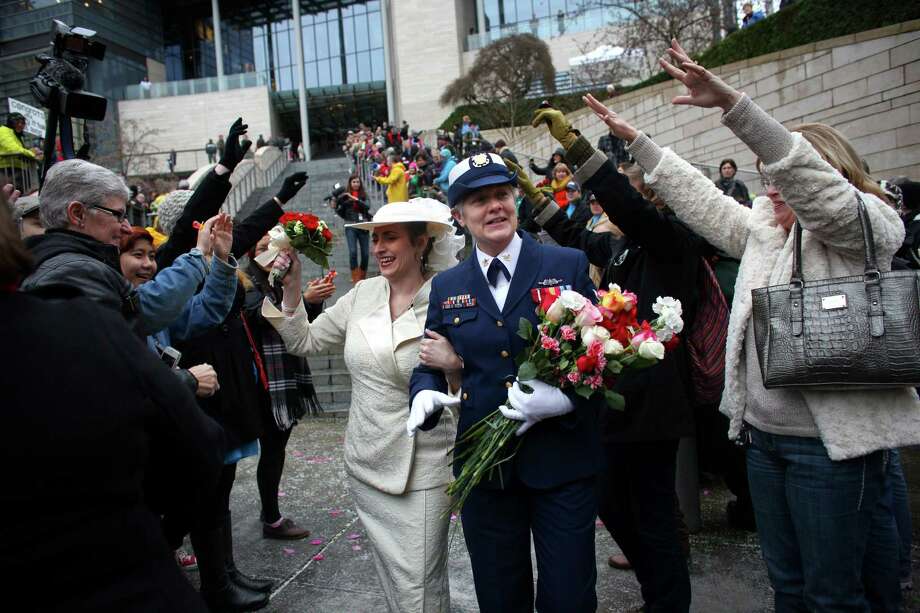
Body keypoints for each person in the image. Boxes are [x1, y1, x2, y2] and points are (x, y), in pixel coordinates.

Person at [584, 39, 920, 611]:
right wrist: (638, 143)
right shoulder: (765, 228)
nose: (771, 185)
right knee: (788, 589)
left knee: (832, 595)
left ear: (826, 176)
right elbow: (700, 201)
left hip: (830, 451)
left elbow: (814, 188)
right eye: (765, 175)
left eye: (780, 174)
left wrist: (731, 106)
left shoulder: (867, 228)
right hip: (764, 443)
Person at [0, 192, 225, 612]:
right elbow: (199, 448)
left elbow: (203, 310)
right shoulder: (76, 313)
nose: (125, 227)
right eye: (118, 217)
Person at [409, 153, 603, 613]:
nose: (494, 206)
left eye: (501, 194)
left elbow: (604, 353)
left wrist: (566, 401)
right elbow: (429, 362)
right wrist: (423, 393)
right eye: (479, 200)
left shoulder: (566, 264)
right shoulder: (447, 285)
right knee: (499, 597)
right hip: (486, 469)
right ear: (459, 216)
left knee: (569, 598)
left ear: (516, 200)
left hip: (562, 463)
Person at [264, 198, 464, 612]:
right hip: (366, 462)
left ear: (420, 243)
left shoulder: (450, 297)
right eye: (375, 240)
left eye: (389, 237)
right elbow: (306, 342)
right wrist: (292, 286)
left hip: (425, 464)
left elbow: (472, 380)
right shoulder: (364, 294)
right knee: (396, 581)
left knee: (420, 586)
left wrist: (455, 366)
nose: (378, 248)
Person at [19, 159, 212, 337]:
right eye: (118, 215)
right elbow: (114, 352)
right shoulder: (73, 272)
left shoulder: (72, 266)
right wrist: (186, 376)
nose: (126, 227)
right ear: (78, 214)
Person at [247, 234, 335, 540]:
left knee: (275, 449)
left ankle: (269, 514)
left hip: (286, 376)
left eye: (273, 246)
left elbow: (303, 326)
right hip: (258, 381)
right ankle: (269, 517)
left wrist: (313, 300)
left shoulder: (282, 280)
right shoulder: (244, 282)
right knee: (263, 450)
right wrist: (301, 297)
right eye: (261, 247)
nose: (269, 252)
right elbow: (264, 316)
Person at [335, 174, 373, 282]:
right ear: (350, 184)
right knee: (353, 252)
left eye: (357, 182)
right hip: (350, 225)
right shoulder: (345, 196)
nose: (356, 184)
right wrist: (338, 204)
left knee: (365, 254)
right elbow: (340, 211)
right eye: (354, 182)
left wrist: (355, 199)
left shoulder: (364, 195)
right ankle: (355, 277)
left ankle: (362, 275)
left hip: (363, 225)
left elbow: (367, 206)